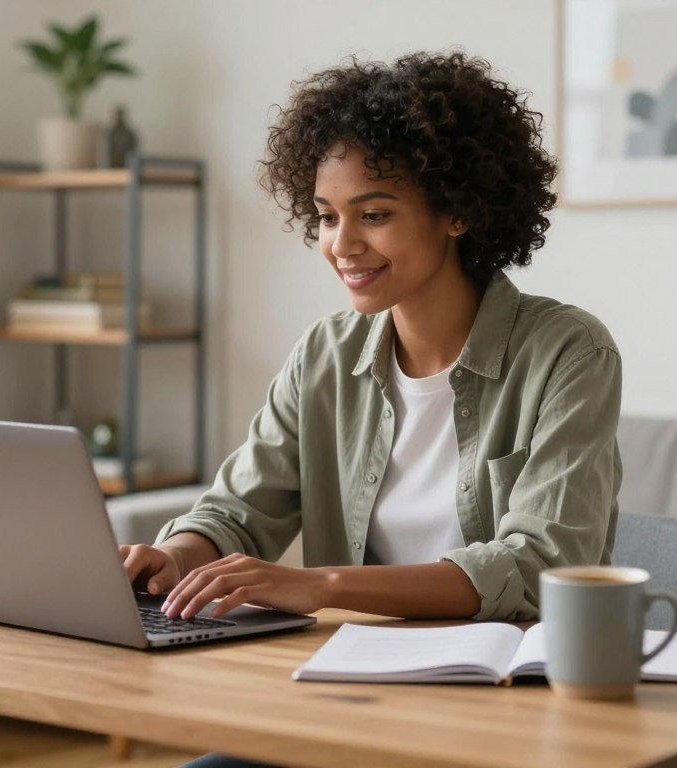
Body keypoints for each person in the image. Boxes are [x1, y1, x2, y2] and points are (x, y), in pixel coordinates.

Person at [122, 50, 620, 639]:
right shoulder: (324, 355)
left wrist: (323, 586)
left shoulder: (569, 352)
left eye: (375, 215)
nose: (341, 244)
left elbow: (540, 567)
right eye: (327, 217)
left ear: (457, 212)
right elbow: (238, 511)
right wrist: (178, 554)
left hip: (511, 682)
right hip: (353, 674)